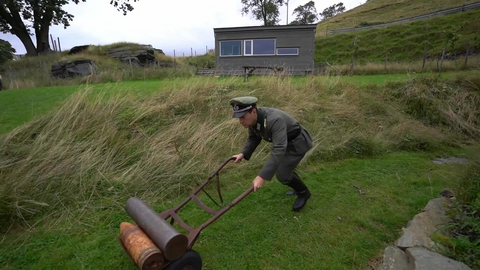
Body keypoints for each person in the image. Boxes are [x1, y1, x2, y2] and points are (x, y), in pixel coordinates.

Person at [229, 96, 313, 212]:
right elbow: (253, 138)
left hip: (297, 143)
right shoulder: (254, 119)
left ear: (253, 111)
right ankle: (298, 188)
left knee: (282, 174)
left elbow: (279, 149)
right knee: (286, 171)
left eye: (242, 117)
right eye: (238, 118)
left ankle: (303, 192)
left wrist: (262, 176)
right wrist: (243, 154)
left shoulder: (274, 120)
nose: (240, 122)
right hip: (286, 142)